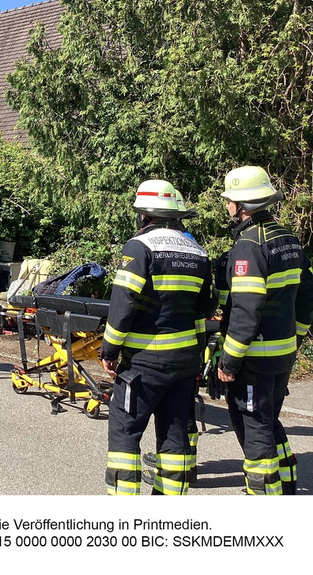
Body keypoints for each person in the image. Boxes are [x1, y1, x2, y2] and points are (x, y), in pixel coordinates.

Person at [101, 179, 212, 495]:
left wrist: (109, 350)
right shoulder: (197, 250)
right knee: (174, 436)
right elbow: (205, 306)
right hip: (184, 364)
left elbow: (123, 304)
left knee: (125, 432)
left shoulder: (140, 247)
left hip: (142, 365)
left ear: (144, 215)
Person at [216, 166, 313, 495]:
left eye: (229, 201)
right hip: (283, 354)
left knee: (254, 425)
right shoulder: (288, 239)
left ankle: (263, 498)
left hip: (254, 358)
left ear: (240, 205)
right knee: (269, 418)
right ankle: (286, 486)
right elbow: (307, 298)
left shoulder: (249, 245)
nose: (227, 206)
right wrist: (295, 339)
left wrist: (228, 362)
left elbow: (246, 309)